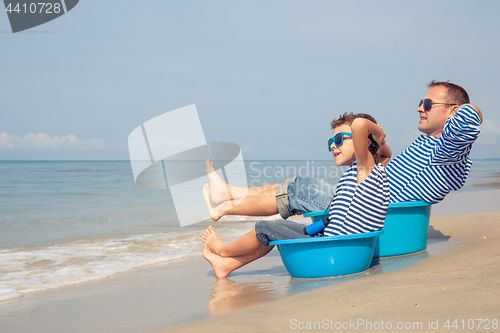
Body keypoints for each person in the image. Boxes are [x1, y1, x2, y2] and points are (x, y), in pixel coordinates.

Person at [203, 81, 482, 224]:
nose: (420, 107)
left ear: (452, 112)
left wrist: (472, 110)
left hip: (368, 210)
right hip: (368, 200)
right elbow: (391, 165)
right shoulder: (428, 145)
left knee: (302, 192)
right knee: (301, 185)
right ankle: (228, 192)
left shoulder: (449, 149)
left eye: (428, 103)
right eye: (421, 102)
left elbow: (470, 119)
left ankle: (226, 205)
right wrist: (382, 148)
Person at [202, 113, 391, 277]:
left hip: (333, 251)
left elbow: (359, 124)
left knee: (264, 228)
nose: (333, 146)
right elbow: (384, 153)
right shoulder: (378, 169)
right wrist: (379, 143)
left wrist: (378, 133)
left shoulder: (365, 170)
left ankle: (223, 250)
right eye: (331, 142)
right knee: (278, 230)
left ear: (365, 142)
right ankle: (226, 265)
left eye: (340, 139)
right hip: (336, 244)